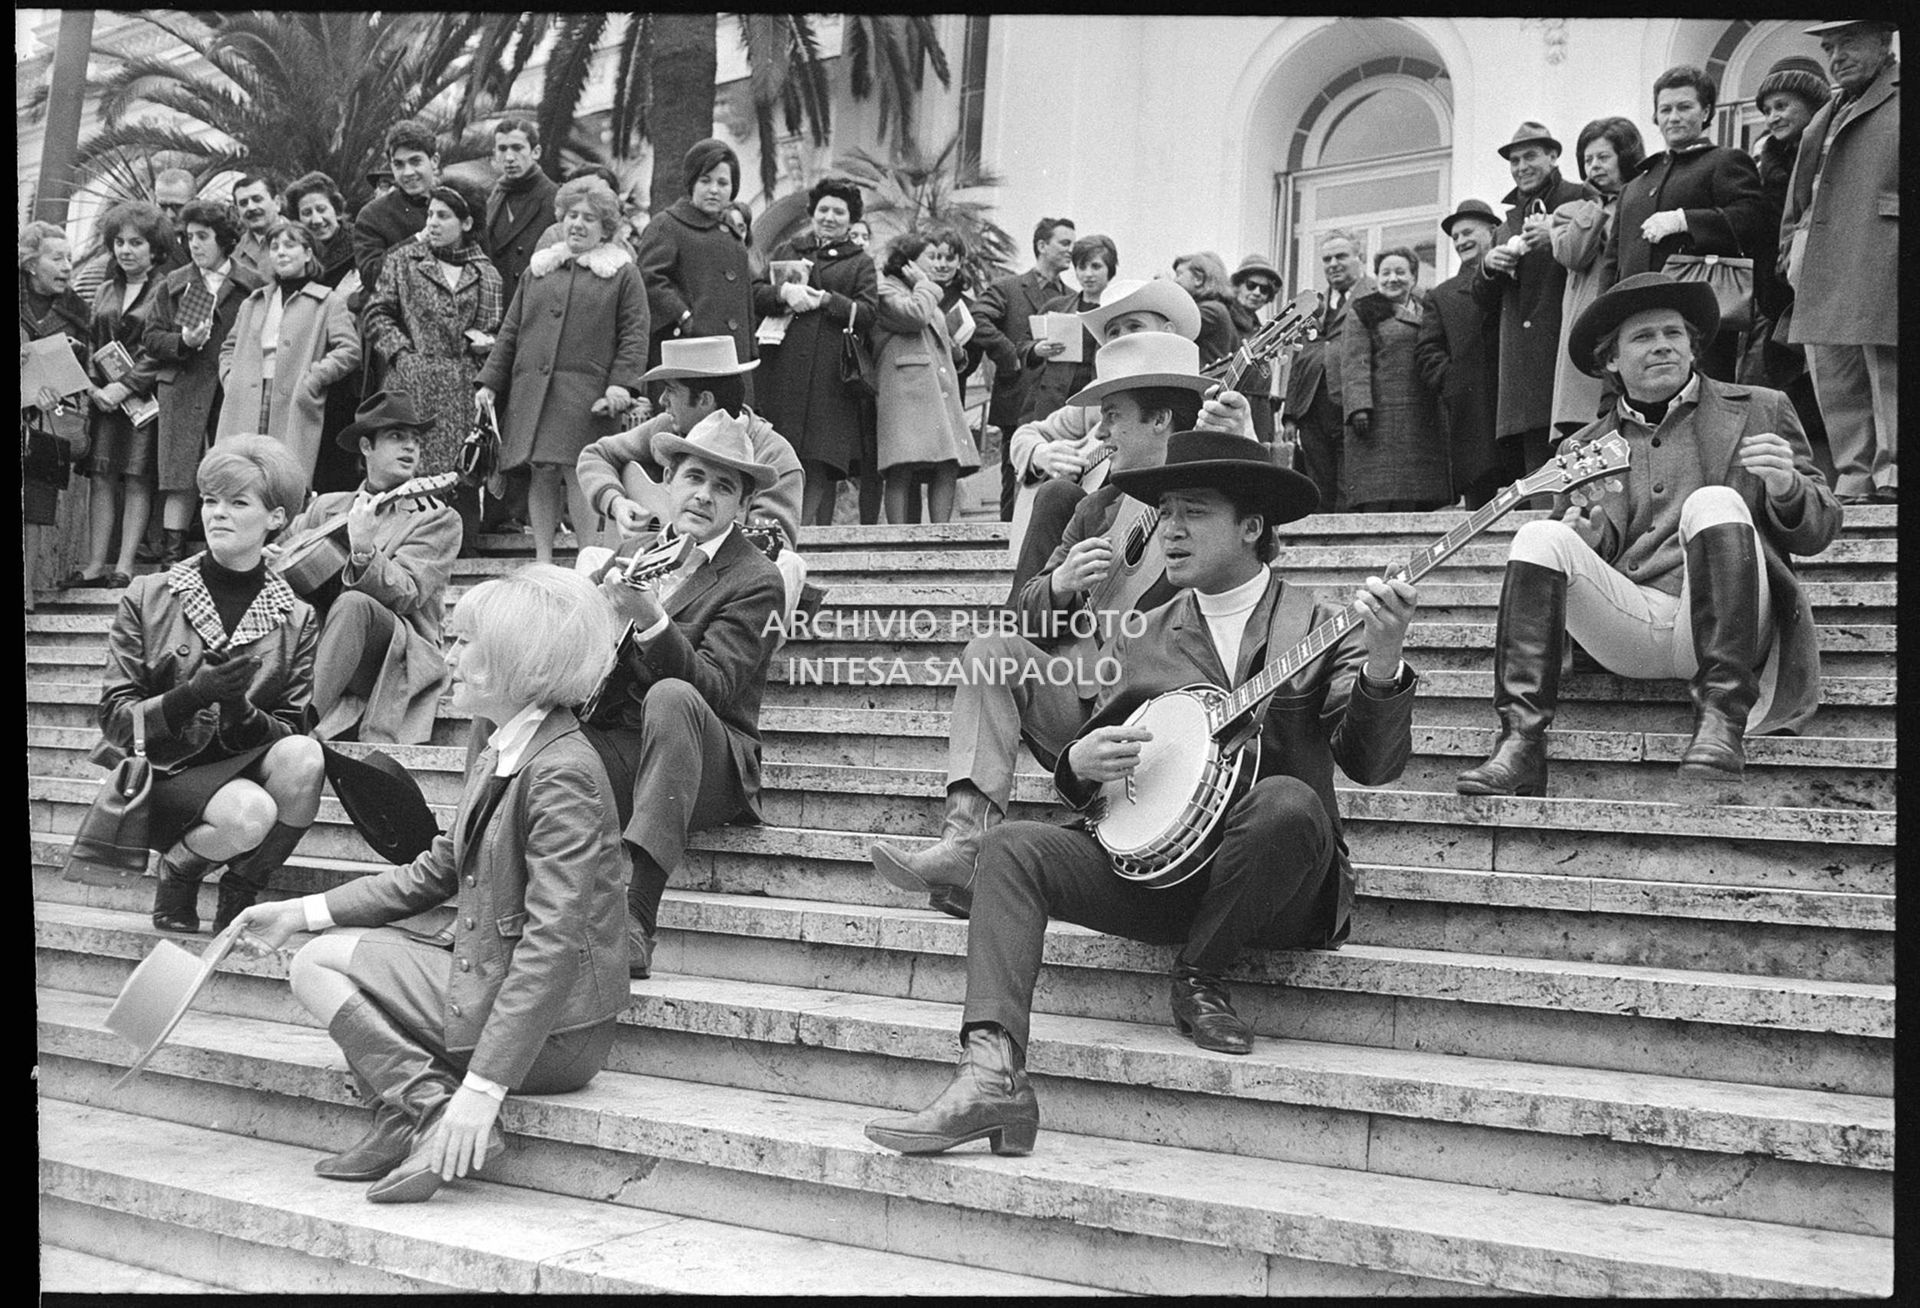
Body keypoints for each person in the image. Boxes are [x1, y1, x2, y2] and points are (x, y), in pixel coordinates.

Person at [865, 430, 1417, 1155]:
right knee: (1009, 850)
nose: (1171, 530)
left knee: (1287, 801)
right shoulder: (1142, 631)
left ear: (1253, 528)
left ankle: (1199, 975)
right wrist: (1078, 765)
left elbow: (1372, 766)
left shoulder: (1315, 624)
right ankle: (991, 1079)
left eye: (1194, 512)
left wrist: (1383, 659)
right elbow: (1108, 794)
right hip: (1161, 875)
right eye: (1164, 513)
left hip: (1275, 881)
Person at [230, 564, 627, 1205]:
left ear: (520, 664)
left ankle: (431, 1107)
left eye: (466, 643)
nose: (448, 657)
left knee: (317, 967)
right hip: (504, 993)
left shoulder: (563, 773)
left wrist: (484, 1089)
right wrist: (299, 911)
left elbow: (552, 942)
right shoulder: (505, 743)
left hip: (556, 1037)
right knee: (323, 948)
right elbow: (438, 868)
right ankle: (410, 1110)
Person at [869, 330, 1215, 918]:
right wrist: (1058, 585)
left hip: (1162, 722)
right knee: (991, 650)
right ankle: (966, 845)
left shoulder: (1212, 504)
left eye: (1112, 417)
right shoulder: (1099, 507)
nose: (1098, 433)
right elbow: (1022, 612)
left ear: (1160, 421)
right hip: (1083, 705)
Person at [1456, 271, 1840, 798]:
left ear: (1692, 346)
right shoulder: (1581, 449)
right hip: (1633, 625)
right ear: (1610, 361)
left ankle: (1722, 720)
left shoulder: (1761, 408)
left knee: (1713, 501)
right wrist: (1586, 540)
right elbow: (1575, 542)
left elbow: (1820, 530)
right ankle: (1520, 742)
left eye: (1673, 334)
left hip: (1734, 624)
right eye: (1643, 337)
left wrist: (1788, 487)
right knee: (1537, 537)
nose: (1662, 346)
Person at [580, 413, 786, 981]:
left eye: (725, 487)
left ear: (742, 507)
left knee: (672, 695)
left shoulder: (758, 578)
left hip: (711, 761)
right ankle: (467, 872)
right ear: (669, 481)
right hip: (625, 743)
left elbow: (715, 688)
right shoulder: (633, 555)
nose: (704, 495)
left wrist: (651, 620)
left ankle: (637, 918)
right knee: (519, 688)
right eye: (695, 477)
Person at [99, 435, 325, 934]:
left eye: (237, 502)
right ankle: (179, 868)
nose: (217, 513)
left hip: (242, 761)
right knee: (249, 814)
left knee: (307, 755)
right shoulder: (148, 595)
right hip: (164, 771)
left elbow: (290, 726)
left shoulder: (298, 617)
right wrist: (193, 695)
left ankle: (243, 887)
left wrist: (240, 711)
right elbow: (116, 724)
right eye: (209, 500)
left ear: (276, 518)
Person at [576, 335, 808, 624]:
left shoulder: (774, 455)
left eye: (671, 390)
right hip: (656, 576)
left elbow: (771, 553)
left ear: (704, 400)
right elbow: (595, 455)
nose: (662, 401)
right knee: (590, 559)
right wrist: (617, 503)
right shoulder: (669, 430)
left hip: (725, 592)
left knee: (789, 565)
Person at [476, 176, 648, 564]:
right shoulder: (540, 270)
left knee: (580, 472)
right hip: (533, 393)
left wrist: (621, 387)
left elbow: (634, 336)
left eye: (589, 218)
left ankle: (589, 556)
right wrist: (489, 382)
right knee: (542, 472)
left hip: (585, 396)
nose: (578, 224)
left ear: (605, 227)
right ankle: (543, 558)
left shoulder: (621, 273)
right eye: (572, 215)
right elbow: (511, 331)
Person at [277, 390, 460, 745]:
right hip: (319, 646)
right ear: (366, 446)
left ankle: (293, 724)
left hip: (391, 655)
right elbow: (288, 554)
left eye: (416, 440)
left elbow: (408, 594)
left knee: (353, 604)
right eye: (396, 437)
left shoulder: (436, 517)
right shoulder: (326, 508)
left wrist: (364, 551)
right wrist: (268, 558)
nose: (410, 447)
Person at [1003, 277, 1204, 581]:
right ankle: (1028, 613)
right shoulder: (1093, 401)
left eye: (1134, 327)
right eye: (1113, 332)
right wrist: (1041, 454)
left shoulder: (1195, 398)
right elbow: (1026, 434)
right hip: (1088, 531)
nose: (1121, 339)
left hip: (1150, 543)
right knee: (1056, 492)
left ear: (1168, 333)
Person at [1780, 19, 1899, 504]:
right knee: (1833, 368)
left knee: (1885, 363)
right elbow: (1800, 191)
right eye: (1831, 47)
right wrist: (1792, 245)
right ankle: (1854, 476)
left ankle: (1892, 474)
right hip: (1821, 255)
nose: (1837, 57)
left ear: (1884, 40)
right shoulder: (1828, 110)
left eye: (1848, 43)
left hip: (1880, 246)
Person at [1599, 65, 1772, 382]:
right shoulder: (1635, 185)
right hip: (1634, 327)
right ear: (1655, 116)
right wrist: (1605, 318)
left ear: (1706, 111)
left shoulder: (1724, 161)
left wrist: (1686, 221)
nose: (1673, 117)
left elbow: (1753, 218)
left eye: (1684, 107)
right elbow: (1613, 263)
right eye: (1665, 109)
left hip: (1697, 325)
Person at [363, 180, 505, 550]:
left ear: (467, 223)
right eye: (430, 214)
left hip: (463, 387)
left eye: (443, 215)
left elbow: (495, 330)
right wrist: (401, 355)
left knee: (462, 473)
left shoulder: (486, 273)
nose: (433, 222)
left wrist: (485, 345)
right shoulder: (404, 260)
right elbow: (376, 313)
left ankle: (462, 548)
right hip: (411, 384)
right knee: (411, 471)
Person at [750, 176, 878, 526]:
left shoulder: (860, 263)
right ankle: (767, 524)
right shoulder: (789, 251)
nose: (830, 217)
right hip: (784, 367)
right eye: (824, 209)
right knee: (778, 448)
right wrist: (783, 295)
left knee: (818, 457)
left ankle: (800, 531)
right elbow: (756, 293)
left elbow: (868, 313)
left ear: (851, 220)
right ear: (812, 213)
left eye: (840, 211)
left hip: (829, 376)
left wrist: (827, 300)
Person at [1473, 121, 1594, 483]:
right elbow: (1483, 301)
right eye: (1514, 160)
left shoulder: (1580, 196)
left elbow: (1594, 251)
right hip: (1523, 368)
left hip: (1567, 348)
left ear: (1553, 156)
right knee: (1537, 470)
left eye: (1530, 156)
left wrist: (1556, 236)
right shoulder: (1505, 223)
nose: (1521, 167)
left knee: (1579, 455)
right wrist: (1488, 267)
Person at [144, 200, 264, 568]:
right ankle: (172, 557)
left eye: (202, 237)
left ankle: (226, 554)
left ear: (223, 239)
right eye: (189, 237)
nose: (194, 245)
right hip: (183, 386)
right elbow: (152, 337)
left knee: (230, 468)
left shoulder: (251, 284)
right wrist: (183, 342)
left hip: (229, 389)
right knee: (179, 473)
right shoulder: (177, 283)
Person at [64, 200, 171, 589]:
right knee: (101, 477)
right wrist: (95, 387)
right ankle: (95, 564)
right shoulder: (106, 288)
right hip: (104, 400)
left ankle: (124, 565)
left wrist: (126, 386)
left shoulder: (166, 288)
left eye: (136, 242)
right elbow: (94, 341)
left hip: (145, 400)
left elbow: (159, 348)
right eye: (120, 242)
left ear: (155, 248)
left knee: (137, 477)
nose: (126, 250)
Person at [217, 219, 362, 483]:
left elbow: (349, 350)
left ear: (308, 253)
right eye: (274, 247)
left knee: (282, 477)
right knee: (241, 474)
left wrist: (313, 379)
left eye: (290, 245)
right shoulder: (254, 301)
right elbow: (228, 347)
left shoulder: (328, 301)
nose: (281, 252)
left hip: (293, 397)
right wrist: (230, 378)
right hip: (246, 397)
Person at [1743, 59, 1833, 480]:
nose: (1773, 117)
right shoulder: (1767, 161)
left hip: (1817, 289)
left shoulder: (1827, 151)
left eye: (1782, 106)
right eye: (1766, 110)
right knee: (1791, 393)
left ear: (1812, 106)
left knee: (1826, 388)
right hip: (1776, 297)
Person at [871, 231, 983, 524]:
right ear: (909, 262)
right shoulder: (886, 289)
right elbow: (914, 315)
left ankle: (941, 532)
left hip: (937, 389)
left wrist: (956, 350)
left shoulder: (924, 289)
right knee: (901, 465)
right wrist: (924, 286)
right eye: (930, 257)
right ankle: (897, 533)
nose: (937, 263)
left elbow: (930, 331)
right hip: (905, 390)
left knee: (947, 463)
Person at [972, 217, 1077, 519]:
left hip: (1060, 401)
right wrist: (1013, 356)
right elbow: (978, 318)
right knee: (1013, 475)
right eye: (1064, 243)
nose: (1071, 250)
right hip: (1019, 395)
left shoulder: (1073, 298)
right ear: (1042, 246)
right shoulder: (1009, 288)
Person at [635, 138, 757, 397]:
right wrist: (685, 317)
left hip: (732, 357)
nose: (714, 189)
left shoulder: (732, 234)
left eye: (723, 183)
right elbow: (649, 278)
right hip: (688, 352)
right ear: (691, 182)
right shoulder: (668, 224)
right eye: (705, 180)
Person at [1551, 117, 1647, 435]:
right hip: (1589, 324)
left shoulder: (1644, 198)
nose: (1594, 166)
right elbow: (1572, 254)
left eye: (1603, 157)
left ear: (1625, 156)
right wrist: (1596, 206)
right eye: (1588, 159)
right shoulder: (1572, 210)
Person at [1340, 247, 1450, 513]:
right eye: (1385, 273)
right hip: (1380, 415)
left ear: (1413, 277)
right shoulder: (1364, 311)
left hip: (1422, 412)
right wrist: (1359, 407)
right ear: (1376, 278)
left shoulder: (1428, 308)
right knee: (1381, 487)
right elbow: (1354, 362)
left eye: (1400, 272)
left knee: (1416, 489)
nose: (1392, 279)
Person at [1416, 200, 1503, 508]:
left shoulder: (1517, 275)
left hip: (1516, 409)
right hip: (1473, 415)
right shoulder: (1441, 295)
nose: (1461, 241)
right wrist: (1455, 382)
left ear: (1493, 231)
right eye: (1455, 237)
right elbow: (1428, 351)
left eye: (1468, 232)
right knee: (1480, 508)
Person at [20, 221, 92, 594]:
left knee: (35, 507)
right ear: (32, 265)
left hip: (45, 423)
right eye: (56, 258)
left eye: (69, 258)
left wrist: (57, 391)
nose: (67, 266)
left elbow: (82, 375)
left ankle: (28, 592)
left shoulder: (78, 313)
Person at [281, 171, 363, 495]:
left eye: (321, 209)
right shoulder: (297, 254)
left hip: (347, 362)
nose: (316, 219)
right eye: (306, 213)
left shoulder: (359, 246)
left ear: (336, 209)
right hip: (307, 360)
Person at [1283, 231, 1373, 514]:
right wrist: (1290, 415)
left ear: (1360, 258)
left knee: (1351, 482)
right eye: (1327, 259)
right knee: (1317, 481)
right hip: (1312, 406)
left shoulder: (1373, 295)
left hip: (1350, 404)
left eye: (1341, 256)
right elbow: (1300, 359)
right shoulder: (1314, 304)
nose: (1333, 263)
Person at [1017, 233, 1114, 427]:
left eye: (1096, 266)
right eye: (1081, 267)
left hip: (1098, 403)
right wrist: (1037, 349)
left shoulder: (1117, 312)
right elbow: (1023, 345)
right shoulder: (1057, 307)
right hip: (1054, 403)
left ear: (1109, 270)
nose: (1088, 274)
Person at [353, 119, 440, 304]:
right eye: (399, 164)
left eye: (415, 161)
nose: (408, 172)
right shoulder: (372, 216)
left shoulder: (461, 202)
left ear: (434, 161)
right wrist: (418, 240)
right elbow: (371, 276)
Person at [481, 116, 559, 308]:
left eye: (517, 148)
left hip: (531, 306)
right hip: (494, 306)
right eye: (502, 149)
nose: (509, 157)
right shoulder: (494, 196)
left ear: (536, 152)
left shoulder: (554, 198)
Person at [1227, 254, 1283, 442]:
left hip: (1258, 409)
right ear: (1238, 286)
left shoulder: (1258, 326)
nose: (1257, 292)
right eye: (1251, 285)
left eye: (1265, 289)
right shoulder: (1224, 317)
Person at [1171, 251, 1241, 369]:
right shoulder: (1216, 308)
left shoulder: (1210, 310)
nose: (1175, 281)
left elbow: (1170, 330)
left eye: (1179, 275)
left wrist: (1165, 291)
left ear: (1198, 279)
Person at [228, 175, 281, 282]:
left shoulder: (305, 238)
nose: (251, 207)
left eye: (257, 199)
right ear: (237, 211)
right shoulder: (236, 256)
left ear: (277, 203)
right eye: (243, 203)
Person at [152, 169, 197, 272]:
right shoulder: (142, 244)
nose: (169, 215)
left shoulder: (216, 240)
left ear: (195, 203)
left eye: (177, 207)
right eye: (163, 206)